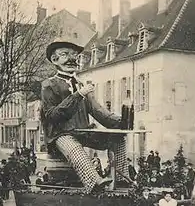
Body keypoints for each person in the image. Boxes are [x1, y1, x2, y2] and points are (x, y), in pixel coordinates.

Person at [41, 39, 130, 194]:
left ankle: (122, 179)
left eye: (74, 55)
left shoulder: (81, 85)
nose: (72, 59)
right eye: (65, 54)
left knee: (118, 138)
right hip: (61, 134)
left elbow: (97, 111)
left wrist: (121, 122)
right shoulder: (49, 85)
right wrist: (77, 95)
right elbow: (52, 116)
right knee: (75, 149)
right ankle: (95, 183)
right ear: (54, 60)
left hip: (82, 131)